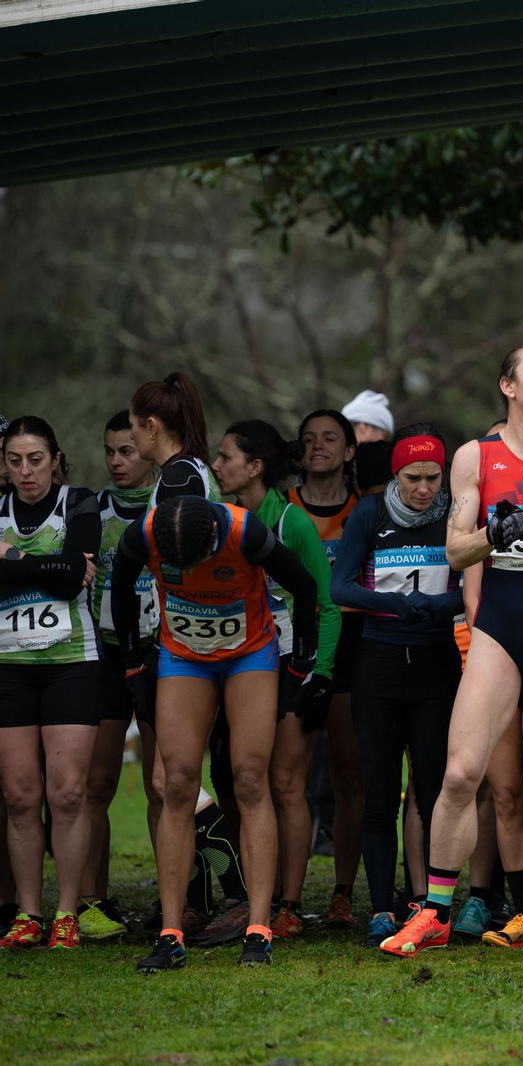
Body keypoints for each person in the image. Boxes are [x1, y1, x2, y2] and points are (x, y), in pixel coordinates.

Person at [381, 273, 523, 962]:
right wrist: (494, 533)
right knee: (459, 775)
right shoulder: (474, 457)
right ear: (507, 386)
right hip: (500, 628)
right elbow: (456, 546)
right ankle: (435, 911)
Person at [113, 495, 318, 971]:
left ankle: (259, 928)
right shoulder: (142, 534)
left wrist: (301, 664)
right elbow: (119, 588)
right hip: (184, 656)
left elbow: (305, 587)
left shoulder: (245, 532)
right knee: (178, 782)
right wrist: (132, 665)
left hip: (249, 654)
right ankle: (170, 934)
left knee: (249, 777)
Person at [328, 426, 464, 948]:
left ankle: (431, 905)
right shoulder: (369, 513)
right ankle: (381, 908)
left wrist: (440, 607)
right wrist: (391, 605)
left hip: (435, 663)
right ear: (396, 474)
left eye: (433, 477)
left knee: (433, 792)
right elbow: (339, 585)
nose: (425, 489)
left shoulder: (454, 513)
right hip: (379, 663)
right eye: (414, 478)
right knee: (379, 794)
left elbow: (476, 584)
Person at [210, 421, 340, 939]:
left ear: (254, 467)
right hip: (233, 662)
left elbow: (326, 606)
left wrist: (321, 675)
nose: (216, 466)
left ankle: (285, 905)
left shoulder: (292, 524)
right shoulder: (217, 520)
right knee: (234, 780)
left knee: (284, 784)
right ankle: (240, 896)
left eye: (225, 457)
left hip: (291, 665)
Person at [0, 418, 103, 951]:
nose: (25, 471)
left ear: (55, 459)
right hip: (8, 667)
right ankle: (28, 914)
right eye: (14, 461)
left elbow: (74, 576)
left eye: (35, 459)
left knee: (66, 794)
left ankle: (66, 913)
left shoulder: (80, 503)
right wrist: (52, 564)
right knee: (19, 796)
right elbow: (63, 570)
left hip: (71, 663)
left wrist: (12, 560)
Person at [80, 411, 159, 941]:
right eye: (110, 451)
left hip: (159, 654)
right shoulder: (90, 507)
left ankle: (178, 900)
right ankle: (91, 902)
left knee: (165, 784)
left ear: (148, 450)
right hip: (105, 655)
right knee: (96, 783)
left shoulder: (169, 501)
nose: (116, 461)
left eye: (127, 451)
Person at [286, 409, 365, 928]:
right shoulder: (283, 509)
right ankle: (284, 901)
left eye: (330, 438)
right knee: (286, 776)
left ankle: (342, 893)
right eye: (309, 439)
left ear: (349, 451)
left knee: (348, 774)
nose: (319, 446)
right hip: (293, 643)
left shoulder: (366, 510)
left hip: (355, 645)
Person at [129, 371, 220, 508]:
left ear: (151, 426)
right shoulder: (193, 467)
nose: (131, 435)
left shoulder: (177, 481)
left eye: (132, 425)